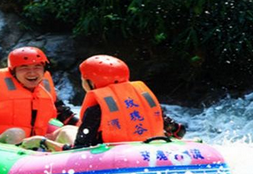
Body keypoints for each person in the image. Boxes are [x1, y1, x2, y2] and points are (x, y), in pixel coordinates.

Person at [21, 55, 186, 151]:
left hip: (111, 157)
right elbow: (178, 131)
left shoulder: (96, 108)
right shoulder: (143, 99)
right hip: (148, 150)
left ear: (92, 83)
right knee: (68, 128)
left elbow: (81, 150)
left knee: (65, 132)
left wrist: (43, 142)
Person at [0, 46, 78, 145]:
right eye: (24, 67)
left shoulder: (47, 92)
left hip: (36, 142)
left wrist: (89, 129)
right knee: (17, 133)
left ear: (44, 70)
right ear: (13, 72)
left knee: (69, 130)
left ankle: (79, 157)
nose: (32, 73)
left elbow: (68, 117)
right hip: (3, 140)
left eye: (37, 67)